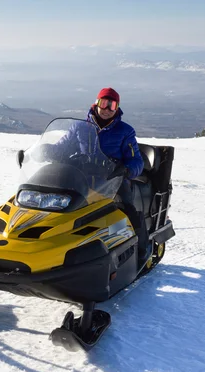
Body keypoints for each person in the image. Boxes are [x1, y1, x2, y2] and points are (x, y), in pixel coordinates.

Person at [88, 88, 150, 263]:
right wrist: (47, 151)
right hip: (84, 178)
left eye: (112, 104)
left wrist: (126, 170)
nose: (107, 109)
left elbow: (137, 161)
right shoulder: (82, 127)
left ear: (117, 108)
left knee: (125, 208)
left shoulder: (125, 131)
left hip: (114, 180)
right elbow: (63, 146)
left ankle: (141, 248)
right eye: (103, 103)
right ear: (96, 103)